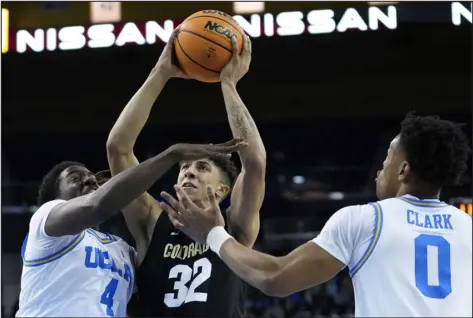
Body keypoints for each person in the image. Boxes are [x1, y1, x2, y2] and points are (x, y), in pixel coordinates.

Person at [161, 114, 472, 317]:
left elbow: (274, 278)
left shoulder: (367, 219)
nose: (380, 169)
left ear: (404, 170)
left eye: (387, 161)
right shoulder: (467, 227)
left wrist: (213, 234)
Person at [106, 27, 266, 317]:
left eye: (202, 167)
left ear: (222, 190)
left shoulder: (236, 227)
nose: (189, 173)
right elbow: (118, 149)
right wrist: (160, 73)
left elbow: (254, 161)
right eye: (184, 167)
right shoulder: (152, 222)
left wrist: (228, 84)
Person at [16, 140, 245, 317]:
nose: (90, 182)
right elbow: (98, 203)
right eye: (76, 178)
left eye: (93, 179)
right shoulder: (45, 223)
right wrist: (172, 154)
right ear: (52, 199)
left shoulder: (124, 251)